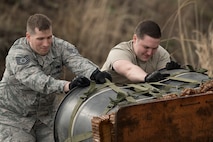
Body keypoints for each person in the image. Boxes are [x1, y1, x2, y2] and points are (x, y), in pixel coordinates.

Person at [0, 13, 111, 142]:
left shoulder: (58, 46)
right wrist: (66, 86)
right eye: (40, 39)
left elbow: (75, 60)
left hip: (45, 118)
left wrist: (94, 73)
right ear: (28, 37)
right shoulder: (18, 54)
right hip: (13, 117)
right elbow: (34, 78)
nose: (46, 43)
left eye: (49, 37)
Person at [101, 20, 180, 84]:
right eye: (146, 47)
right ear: (135, 39)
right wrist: (146, 77)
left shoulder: (161, 54)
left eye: (154, 48)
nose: (150, 53)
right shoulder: (119, 52)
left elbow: (164, 82)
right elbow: (129, 70)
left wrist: (174, 73)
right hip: (107, 98)